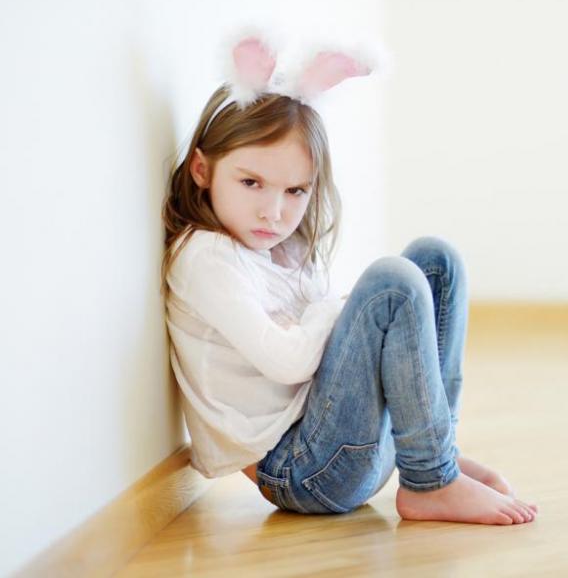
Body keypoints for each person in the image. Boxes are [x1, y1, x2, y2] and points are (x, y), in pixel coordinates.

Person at [160, 32, 538, 525]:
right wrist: (334, 308)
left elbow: (324, 351)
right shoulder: (206, 258)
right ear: (201, 170)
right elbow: (289, 362)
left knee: (436, 261)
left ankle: (434, 454)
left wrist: (335, 311)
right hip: (304, 471)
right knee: (392, 282)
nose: (274, 212)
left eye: (295, 191)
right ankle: (432, 481)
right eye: (251, 182)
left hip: (343, 445)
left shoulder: (281, 248)